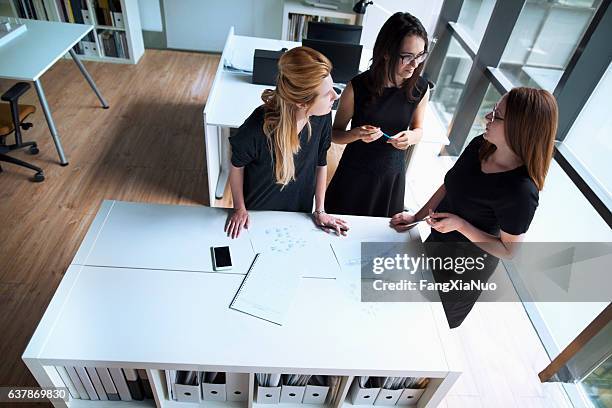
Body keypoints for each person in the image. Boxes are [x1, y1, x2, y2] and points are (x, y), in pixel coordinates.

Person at [390, 87, 558, 327]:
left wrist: (460, 225)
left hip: (465, 270)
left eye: (496, 116)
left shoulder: (521, 191)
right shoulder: (481, 145)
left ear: (520, 128)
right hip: (436, 246)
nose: (486, 118)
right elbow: (449, 185)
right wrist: (416, 217)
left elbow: (509, 251)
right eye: (492, 111)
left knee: (427, 325)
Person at [225, 47, 349, 238]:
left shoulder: (322, 116)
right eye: (327, 94)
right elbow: (236, 166)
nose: (336, 95)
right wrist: (239, 208)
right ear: (302, 103)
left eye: (333, 88)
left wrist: (320, 210)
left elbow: (320, 162)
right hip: (258, 215)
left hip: (299, 213)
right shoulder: (256, 128)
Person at [324, 12, 430, 217]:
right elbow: (333, 133)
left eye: (420, 56)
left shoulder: (421, 88)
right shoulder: (357, 87)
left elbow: (419, 130)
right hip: (355, 175)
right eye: (407, 57)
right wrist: (356, 134)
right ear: (387, 52)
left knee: (378, 241)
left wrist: (410, 137)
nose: (415, 64)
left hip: (391, 177)